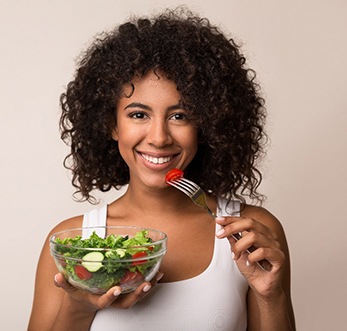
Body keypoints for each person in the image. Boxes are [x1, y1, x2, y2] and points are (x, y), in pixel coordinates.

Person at [28, 7, 295, 331]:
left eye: (179, 116)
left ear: (206, 124)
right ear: (111, 124)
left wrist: (270, 295)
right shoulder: (72, 245)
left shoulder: (251, 233)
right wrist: (78, 308)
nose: (158, 138)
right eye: (138, 114)